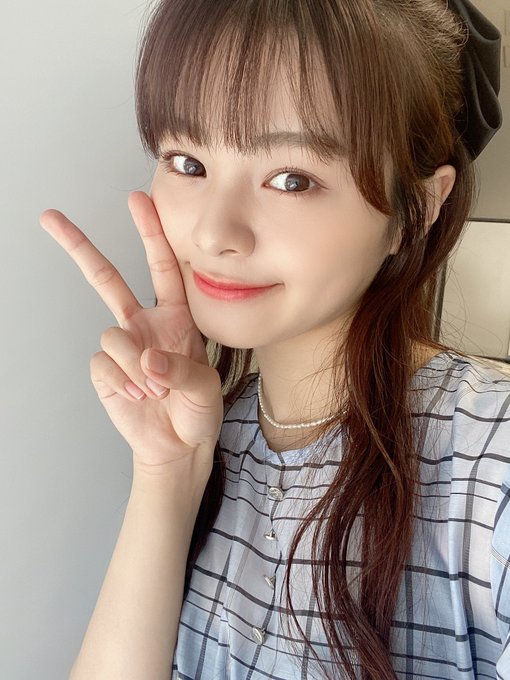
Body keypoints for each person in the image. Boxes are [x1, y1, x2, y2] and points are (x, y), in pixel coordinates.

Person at [39, 0, 509, 678]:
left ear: (418, 208)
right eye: (187, 161)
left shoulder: (491, 464)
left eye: (293, 179)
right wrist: (167, 475)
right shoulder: (214, 433)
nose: (214, 233)